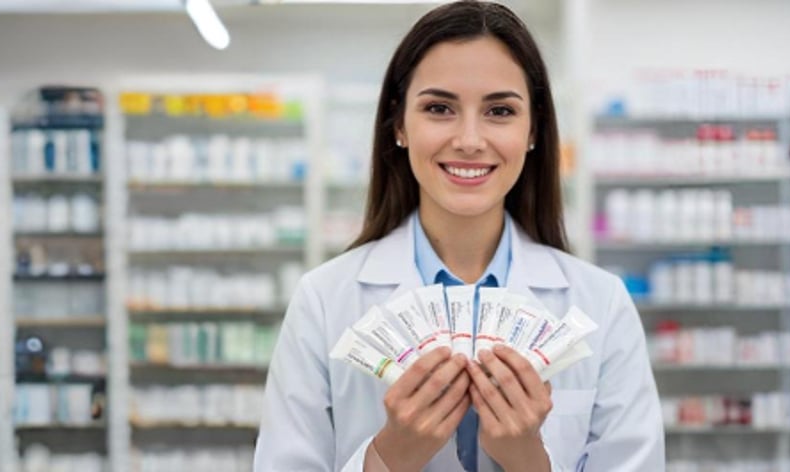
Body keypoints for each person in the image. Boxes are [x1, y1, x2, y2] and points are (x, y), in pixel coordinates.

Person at [252, 2, 663, 471]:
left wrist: (527, 460)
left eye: (500, 110)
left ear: (533, 131)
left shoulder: (601, 305)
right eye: (439, 108)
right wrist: (389, 457)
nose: (469, 139)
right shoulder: (324, 301)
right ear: (400, 125)